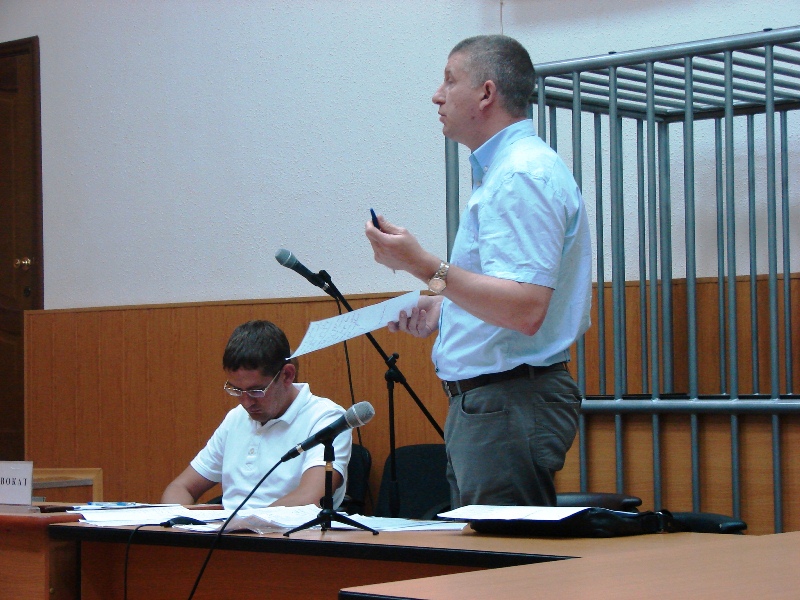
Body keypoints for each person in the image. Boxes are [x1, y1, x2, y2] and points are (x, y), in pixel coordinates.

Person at [365, 35, 591, 508]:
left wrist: (421, 264)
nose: (437, 96)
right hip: (496, 402)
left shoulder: (520, 175)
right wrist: (442, 306)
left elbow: (525, 308)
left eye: (450, 81)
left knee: (503, 553)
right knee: (486, 548)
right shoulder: (509, 172)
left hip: (508, 401)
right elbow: (505, 295)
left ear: (486, 93)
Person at [161, 320, 351, 510]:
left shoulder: (326, 418)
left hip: (284, 529)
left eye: (256, 391)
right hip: (228, 527)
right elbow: (181, 487)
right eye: (236, 390)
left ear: (287, 375)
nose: (246, 402)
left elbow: (309, 498)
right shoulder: (236, 418)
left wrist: (239, 522)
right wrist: (172, 518)